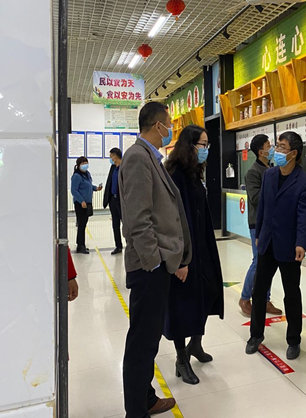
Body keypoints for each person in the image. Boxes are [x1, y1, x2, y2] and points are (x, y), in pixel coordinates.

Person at [120, 101, 192, 418]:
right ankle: (136, 411)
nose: (171, 128)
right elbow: (138, 220)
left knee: (148, 339)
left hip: (156, 264)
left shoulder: (150, 156)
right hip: (148, 267)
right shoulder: (138, 157)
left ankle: (146, 397)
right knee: (142, 341)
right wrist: (155, 262)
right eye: (169, 123)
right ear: (157, 125)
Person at [246, 131, 306, 361]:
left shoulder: (304, 182)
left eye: (281, 147)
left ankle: (294, 340)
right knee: (259, 291)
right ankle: (255, 335)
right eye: (276, 145)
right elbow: (263, 207)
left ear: (293, 153)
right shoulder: (269, 174)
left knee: (291, 294)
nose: (276, 150)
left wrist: (301, 243)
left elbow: (304, 216)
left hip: (289, 246)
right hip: (267, 242)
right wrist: (259, 233)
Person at [163, 125, 224, 386]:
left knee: (209, 291)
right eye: (202, 144)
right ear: (189, 146)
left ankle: (195, 343)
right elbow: (172, 220)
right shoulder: (175, 175)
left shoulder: (193, 172)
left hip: (201, 245)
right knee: (181, 303)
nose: (205, 149)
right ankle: (181, 359)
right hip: (183, 251)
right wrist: (181, 259)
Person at [239, 134, 282, 318]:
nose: (271, 148)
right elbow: (255, 198)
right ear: (260, 151)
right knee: (258, 261)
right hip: (258, 223)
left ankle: (265, 299)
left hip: (272, 223)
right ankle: (245, 298)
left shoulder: (271, 169)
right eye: (268, 145)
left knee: (268, 263)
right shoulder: (253, 172)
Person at [70, 156, 102, 254]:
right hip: (80, 204)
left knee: (83, 224)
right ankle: (81, 246)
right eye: (83, 163)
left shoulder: (87, 174)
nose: (85, 165)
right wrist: (81, 201)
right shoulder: (76, 176)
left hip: (87, 203)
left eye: (86, 163)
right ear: (78, 165)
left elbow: (88, 185)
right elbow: (74, 190)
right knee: (81, 224)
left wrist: (96, 188)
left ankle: (81, 244)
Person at [103, 147, 124, 255]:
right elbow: (109, 183)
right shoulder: (112, 168)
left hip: (122, 201)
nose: (110, 158)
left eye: (111, 156)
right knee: (115, 224)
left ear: (115, 156)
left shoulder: (124, 167)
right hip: (113, 200)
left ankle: (131, 246)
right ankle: (118, 246)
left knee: (126, 225)